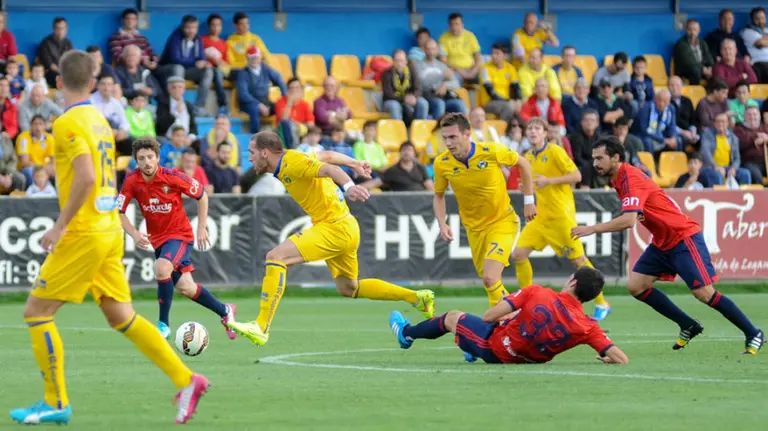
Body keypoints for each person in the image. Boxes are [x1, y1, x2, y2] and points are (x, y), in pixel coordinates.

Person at [10, 50, 208, 426]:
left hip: (85, 231)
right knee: (121, 315)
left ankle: (55, 402)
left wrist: (59, 225)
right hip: (108, 229)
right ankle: (187, 379)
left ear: (57, 83)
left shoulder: (68, 122)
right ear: (92, 82)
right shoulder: (99, 120)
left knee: (36, 313)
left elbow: (85, 177)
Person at [226, 131, 436, 346]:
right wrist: (354, 163)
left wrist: (349, 187)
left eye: (251, 152)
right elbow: (326, 156)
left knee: (276, 257)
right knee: (348, 288)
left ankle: (261, 326)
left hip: (333, 227)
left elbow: (330, 169)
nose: (249, 158)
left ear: (264, 152)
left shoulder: (293, 162)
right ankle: (416, 297)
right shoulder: (291, 159)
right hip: (346, 226)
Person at [572, 136, 765, 355]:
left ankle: (753, 332)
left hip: (683, 237)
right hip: (663, 241)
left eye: (600, 158)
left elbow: (629, 220)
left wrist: (592, 228)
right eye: (594, 158)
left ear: (616, 158)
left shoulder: (630, 177)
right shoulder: (618, 178)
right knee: (637, 286)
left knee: (704, 294)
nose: (595, 163)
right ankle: (688, 325)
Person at [118, 138, 237, 339]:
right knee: (186, 287)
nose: (146, 162)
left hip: (179, 235)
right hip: (158, 240)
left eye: (150, 157)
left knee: (161, 267)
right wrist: (135, 234)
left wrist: (201, 228)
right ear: (136, 161)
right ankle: (225, 311)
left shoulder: (172, 177)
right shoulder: (131, 180)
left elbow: (202, 195)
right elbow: (118, 211)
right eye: (141, 158)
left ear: (157, 158)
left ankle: (163, 325)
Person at [388, 267, 628, 365]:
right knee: (510, 322)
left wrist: (512, 312)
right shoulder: (588, 326)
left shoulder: (538, 292)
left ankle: (406, 335)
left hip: (499, 350)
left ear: (572, 282)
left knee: (452, 317)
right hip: (529, 360)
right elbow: (621, 359)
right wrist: (608, 359)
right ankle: (470, 349)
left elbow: (488, 316)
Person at [510, 117, 611, 320]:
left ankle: (602, 303)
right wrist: (525, 188)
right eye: (529, 128)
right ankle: (527, 302)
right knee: (518, 254)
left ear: (545, 133)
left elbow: (577, 176)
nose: (532, 131)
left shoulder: (555, 151)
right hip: (540, 218)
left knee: (578, 260)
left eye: (537, 128)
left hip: (561, 217)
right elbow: (529, 184)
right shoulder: (527, 157)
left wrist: (550, 181)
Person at [433, 113, 536, 307]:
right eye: (445, 138)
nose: (448, 142)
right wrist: (442, 223)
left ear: (467, 134)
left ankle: (521, 315)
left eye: (453, 137)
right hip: (474, 230)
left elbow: (523, 163)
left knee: (490, 277)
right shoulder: (442, 163)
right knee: (491, 284)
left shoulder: (491, 151)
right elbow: (438, 195)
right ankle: (510, 322)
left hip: (502, 222)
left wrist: (529, 200)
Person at [360, 141, 433, 192]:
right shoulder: (392, 170)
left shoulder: (421, 168)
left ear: (414, 153)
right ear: (400, 153)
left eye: (409, 150)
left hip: (420, 203)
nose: (406, 152)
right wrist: (355, 187)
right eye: (404, 150)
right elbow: (375, 182)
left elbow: (430, 186)